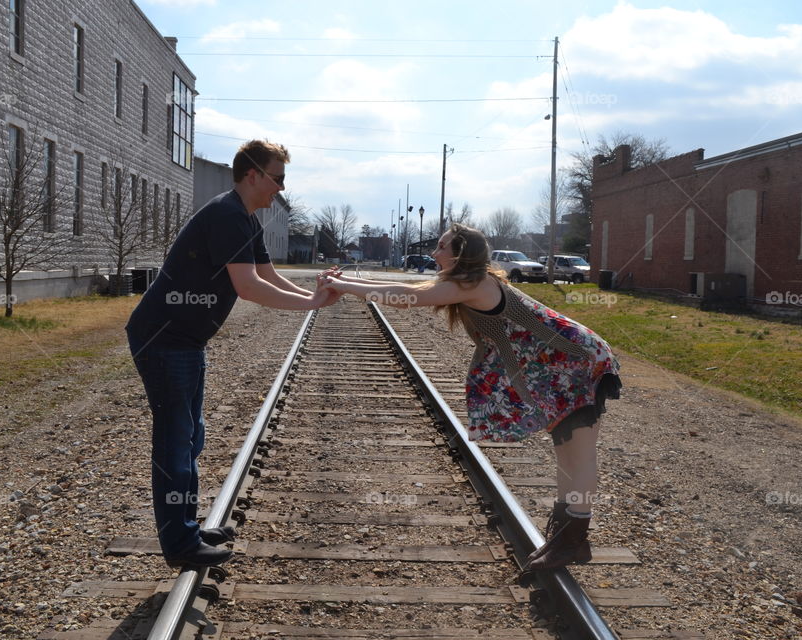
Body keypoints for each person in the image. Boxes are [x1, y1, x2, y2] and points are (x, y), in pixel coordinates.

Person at [320, 223, 621, 570]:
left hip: (578, 362)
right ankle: (568, 537)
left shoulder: (474, 283)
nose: (435, 254)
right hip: (560, 369)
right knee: (567, 457)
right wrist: (344, 283)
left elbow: (407, 298)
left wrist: (341, 285)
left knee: (577, 456)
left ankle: (573, 539)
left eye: (442, 247)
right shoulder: (467, 282)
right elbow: (407, 288)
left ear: (461, 254)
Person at [126, 140, 337, 569]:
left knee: (189, 437)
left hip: (185, 341)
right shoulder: (227, 215)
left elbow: (268, 274)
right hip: (164, 340)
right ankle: (180, 544)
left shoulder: (245, 220)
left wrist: (313, 294)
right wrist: (312, 306)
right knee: (174, 441)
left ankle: (187, 528)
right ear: (253, 174)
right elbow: (249, 288)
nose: (280, 188)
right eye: (277, 178)